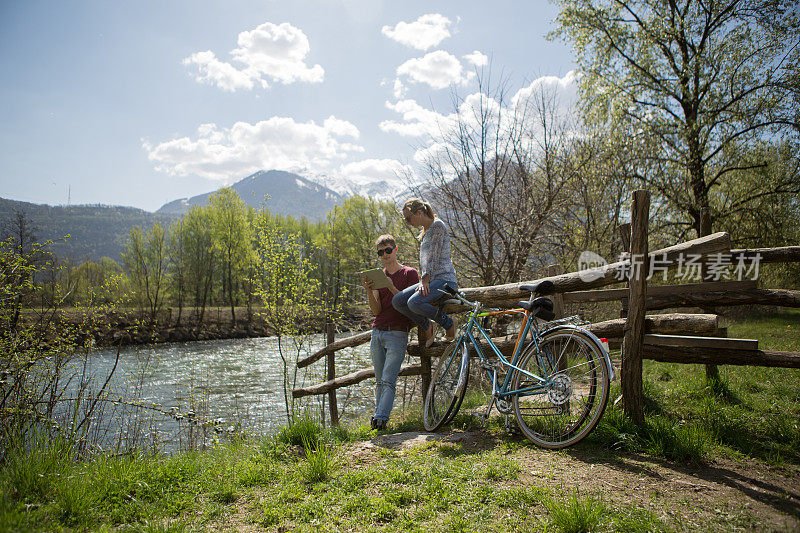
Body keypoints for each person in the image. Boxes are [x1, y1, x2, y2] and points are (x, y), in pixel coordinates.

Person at [361, 234, 419, 430]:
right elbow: (376, 310)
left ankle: (380, 418)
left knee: (388, 379)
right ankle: (380, 418)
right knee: (379, 381)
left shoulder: (410, 273)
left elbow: (410, 303)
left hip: (397, 332)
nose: (385, 255)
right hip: (377, 331)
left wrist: (390, 286)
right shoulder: (378, 275)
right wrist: (370, 291)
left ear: (396, 250)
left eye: (388, 250)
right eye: (380, 252)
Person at [392, 198, 459, 348]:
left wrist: (424, 279)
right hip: (431, 280)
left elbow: (434, 257)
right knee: (398, 301)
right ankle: (428, 325)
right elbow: (426, 261)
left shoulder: (437, 226)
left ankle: (449, 324)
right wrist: (426, 280)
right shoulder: (426, 232)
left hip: (445, 280)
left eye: (408, 218)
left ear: (420, 212)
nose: (407, 223)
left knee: (414, 302)